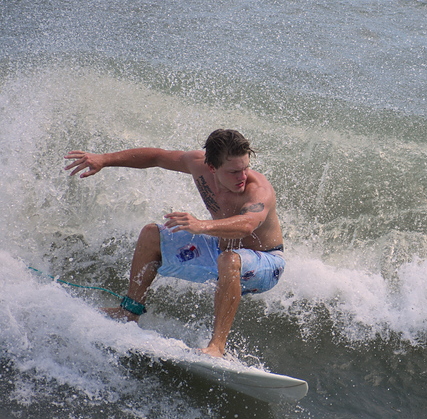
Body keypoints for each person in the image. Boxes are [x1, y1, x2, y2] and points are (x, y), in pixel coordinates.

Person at [64, 129, 285, 358]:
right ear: (212, 167)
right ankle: (129, 312)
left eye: (245, 168)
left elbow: (248, 224)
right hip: (219, 251)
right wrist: (104, 159)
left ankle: (217, 347)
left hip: (265, 262)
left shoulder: (258, 190)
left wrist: (201, 226)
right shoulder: (197, 163)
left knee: (229, 259)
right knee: (151, 234)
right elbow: (156, 157)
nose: (243, 176)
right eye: (234, 171)